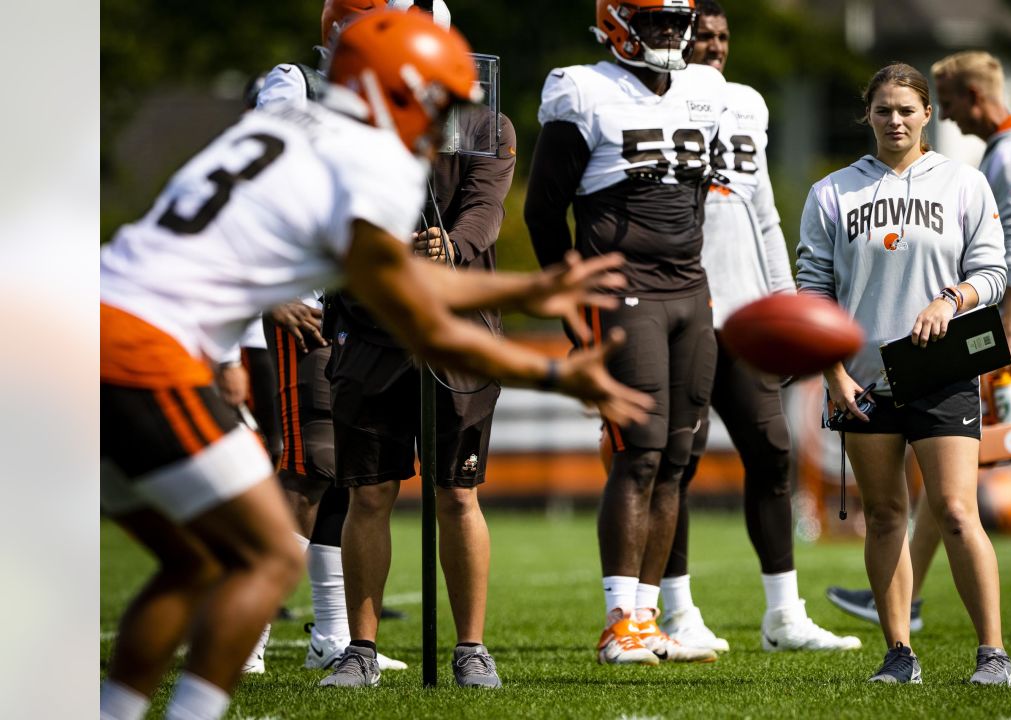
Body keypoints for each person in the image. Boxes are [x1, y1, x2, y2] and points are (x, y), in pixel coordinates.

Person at [99, 11, 652, 720]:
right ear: (399, 90)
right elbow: (421, 316)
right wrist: (551, 374)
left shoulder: (284, 122)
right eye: (437, 102)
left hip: (92, 322)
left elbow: (396, 273)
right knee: (265, 557)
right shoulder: (373, 161)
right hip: (144, 348)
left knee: (195, 560)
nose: (447, 122)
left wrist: (524, 289)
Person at [827, 50, 1011, 633]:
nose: (950, 117)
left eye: (941, 102)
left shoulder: (1009, 156)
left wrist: (1006, 329)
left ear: (941, 106)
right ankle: (912, 599)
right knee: (955, 485)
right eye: (883, 110)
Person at [652, 0, 861, 655]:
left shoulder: (748, 102)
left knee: (772, 454)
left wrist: (785, 301)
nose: (713, 47)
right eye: (701, 37)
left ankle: (783, 615)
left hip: (746, 314)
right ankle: (678, 613)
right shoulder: (651, 102)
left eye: (721, 37)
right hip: (681, 309)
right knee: (673, 466)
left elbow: (765, 212)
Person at [795, 62, 1011, 685]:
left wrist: (950, 301)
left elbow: (994, 274)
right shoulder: (831, 193)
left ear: (927, 115)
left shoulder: (965, 184)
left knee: (954, 509)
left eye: (906, 110)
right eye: (883, 109)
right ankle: (899, 654)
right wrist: (834, 376)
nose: (895, 120)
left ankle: (992, 655)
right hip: (860, 381)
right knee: (885, 514)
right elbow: (812, 295)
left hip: (942, 371)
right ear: (867, 114)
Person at [525, 0, 724, 665]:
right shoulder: (583, 89)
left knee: (677, 457)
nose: (669, 32)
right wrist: (572, 307)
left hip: (689, 290)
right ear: (617, 22)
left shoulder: (704, 91)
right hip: (623, 290)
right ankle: (619, 622)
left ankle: (646, 617)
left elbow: (695, 198)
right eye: (654, 20)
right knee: (637, 452)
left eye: (675, 21)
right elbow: (543, 211)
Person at [240, 0, 417, 677]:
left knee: (348, 466)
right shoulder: (297, 85)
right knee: (309, 464)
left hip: (359, 309)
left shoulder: (395, 102)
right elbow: (255, 187)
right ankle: (249, 633)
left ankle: (335, 635)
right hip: (306, 299)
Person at [322, 82, 518, 692]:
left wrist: (449, 245)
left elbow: (485, 211)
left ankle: (471, 648)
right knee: (369, 494)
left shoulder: (487, 127)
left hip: (454, 331)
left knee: (458, 493)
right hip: (368, 328)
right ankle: (360, 649)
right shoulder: (343, 127)